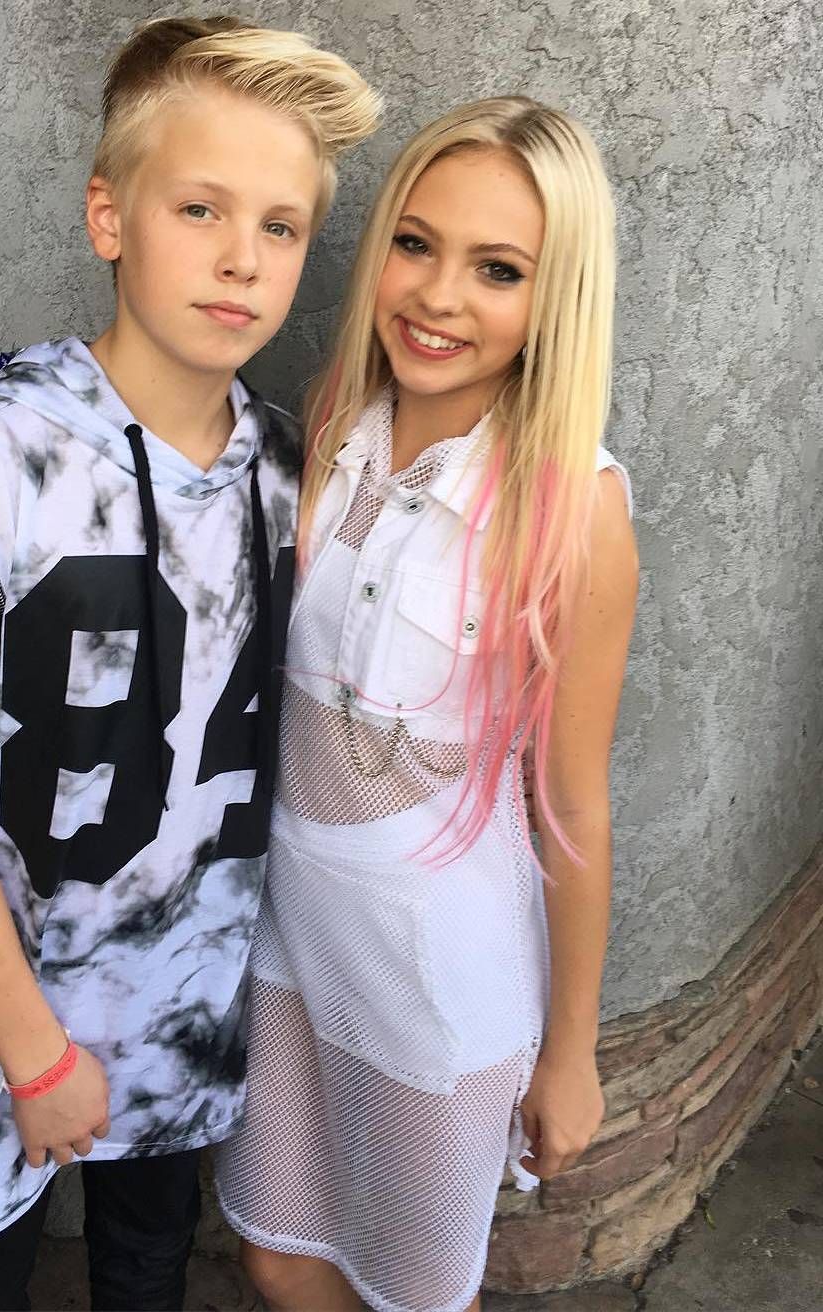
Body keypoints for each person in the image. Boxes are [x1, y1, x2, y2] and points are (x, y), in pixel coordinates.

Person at [0, 17, 379, 1310]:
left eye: (282, 225)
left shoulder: (298, 474)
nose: (242, 257)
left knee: (146, 1264)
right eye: (199, 208)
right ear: (108, 216)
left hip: (185, 1002)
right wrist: (33, 1056)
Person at [215, 97, 639, 1312]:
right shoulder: (333, 426)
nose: (439, 296)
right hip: (289, 935)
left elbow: (573, 809)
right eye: (415, 243)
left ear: (555, 297)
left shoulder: (574, 507)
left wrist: (571, 1051)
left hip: (431, 973)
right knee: (276, 1253)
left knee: (406, 1292)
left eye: (498, 269)